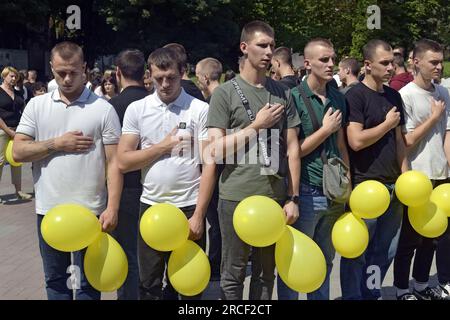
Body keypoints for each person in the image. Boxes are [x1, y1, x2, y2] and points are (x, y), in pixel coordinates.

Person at [13, 41, 123, 300]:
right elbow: (18, 152)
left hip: (92, 210)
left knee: (88, 284)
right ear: (51, 68)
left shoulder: (103, 109)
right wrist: (56, 144)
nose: (67, 78)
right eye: (61, 72)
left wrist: (113, 207)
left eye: (74, 71)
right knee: (56, 281)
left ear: (84, 68)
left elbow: (114, 163)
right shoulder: (37, 106)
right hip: (50, 210)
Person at [206, 20, 301, 300]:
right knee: (233, 274)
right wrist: (256, 126)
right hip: (235, 196)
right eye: (262, 45)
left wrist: (293, 197)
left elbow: (292, 148)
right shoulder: (224, 93)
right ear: (244, 48)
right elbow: (214, 150)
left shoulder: (283, 92)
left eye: (272, 45)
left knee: (264, 275)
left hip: (273, 196)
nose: (269, 51)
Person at [117, 47, 213, 300]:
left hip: (189, 207)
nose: (165, 84)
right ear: (149, 75)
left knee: (189, 285)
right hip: (152, 208)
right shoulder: (137, 109)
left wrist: (200, 214)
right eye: (159, 78)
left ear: (183, 72)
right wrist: (162, 146)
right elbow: (124, 161)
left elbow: (209, 164)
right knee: (149, 283)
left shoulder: (199, 109)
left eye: (171, 77)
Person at [277, 38, 349, 300]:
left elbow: (341, 147)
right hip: (306, 192)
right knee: (294, 262)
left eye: (333, 59)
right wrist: (325, 130)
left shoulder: (338, 98)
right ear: (307, 64)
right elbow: (293, 151)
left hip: (334, 192)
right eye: (324, 59)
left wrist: (347, 185)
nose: (331, 64)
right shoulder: (293, 97)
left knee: (324, 262)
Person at [342, 39, 408, 300]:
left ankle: (371, 294)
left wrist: (406, 176)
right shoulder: (355, 95)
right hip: (366, 187)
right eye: (385, 63)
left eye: (392, 62)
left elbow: (400, 141)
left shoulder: (394, 95)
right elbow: (355, 141)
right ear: (368, 65)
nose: (391, 67)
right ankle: (353, 297)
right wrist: (387, 124)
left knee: (385, 251)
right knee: (358, 252)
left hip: (394, 188)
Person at [394, 39, 450, 300]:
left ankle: (420, 284)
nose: (439, 67)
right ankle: (402, 289)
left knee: (433, 235)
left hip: (441, 175)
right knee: (410, 238)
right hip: (417, 176)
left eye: (441, 61)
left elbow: (447, 136)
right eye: (434, 62)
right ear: (416, 62)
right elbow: (406, 141)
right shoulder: (405, 95)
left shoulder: (443, 93)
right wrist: (434, 118)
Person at [108, 49, 149, 300]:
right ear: (145, 74)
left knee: (127, 252)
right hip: (152, 187)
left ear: (117, 73)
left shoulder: (110, 107)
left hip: (122, 188)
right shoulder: (154, 103)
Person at [0, 66, 32, 203]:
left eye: (15, 77)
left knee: (17, 160)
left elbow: (24, 110)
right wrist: (8, 131)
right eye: (11, 76)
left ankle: (18, 191)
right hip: (2, 130)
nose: (14, 79)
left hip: (17, 130)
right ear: (4, 76)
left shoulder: (18, 93)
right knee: (0, 161)